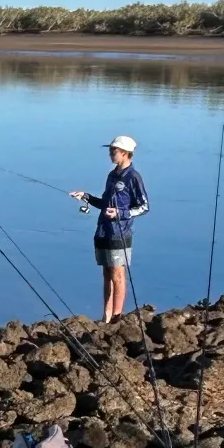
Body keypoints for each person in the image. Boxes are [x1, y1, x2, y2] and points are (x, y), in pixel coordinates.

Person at [70, 134, 149, 322]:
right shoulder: (112, 175)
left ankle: (116, 317)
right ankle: (106, 316)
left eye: (113, 151)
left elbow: (144, 207)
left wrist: (120, 213)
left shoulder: (133, 177)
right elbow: (105, 203)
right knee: (107, 274)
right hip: (103, 231)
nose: (110, 154)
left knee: (117, 275)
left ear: (125, 153)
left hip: (120, 233)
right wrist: (86, 196)